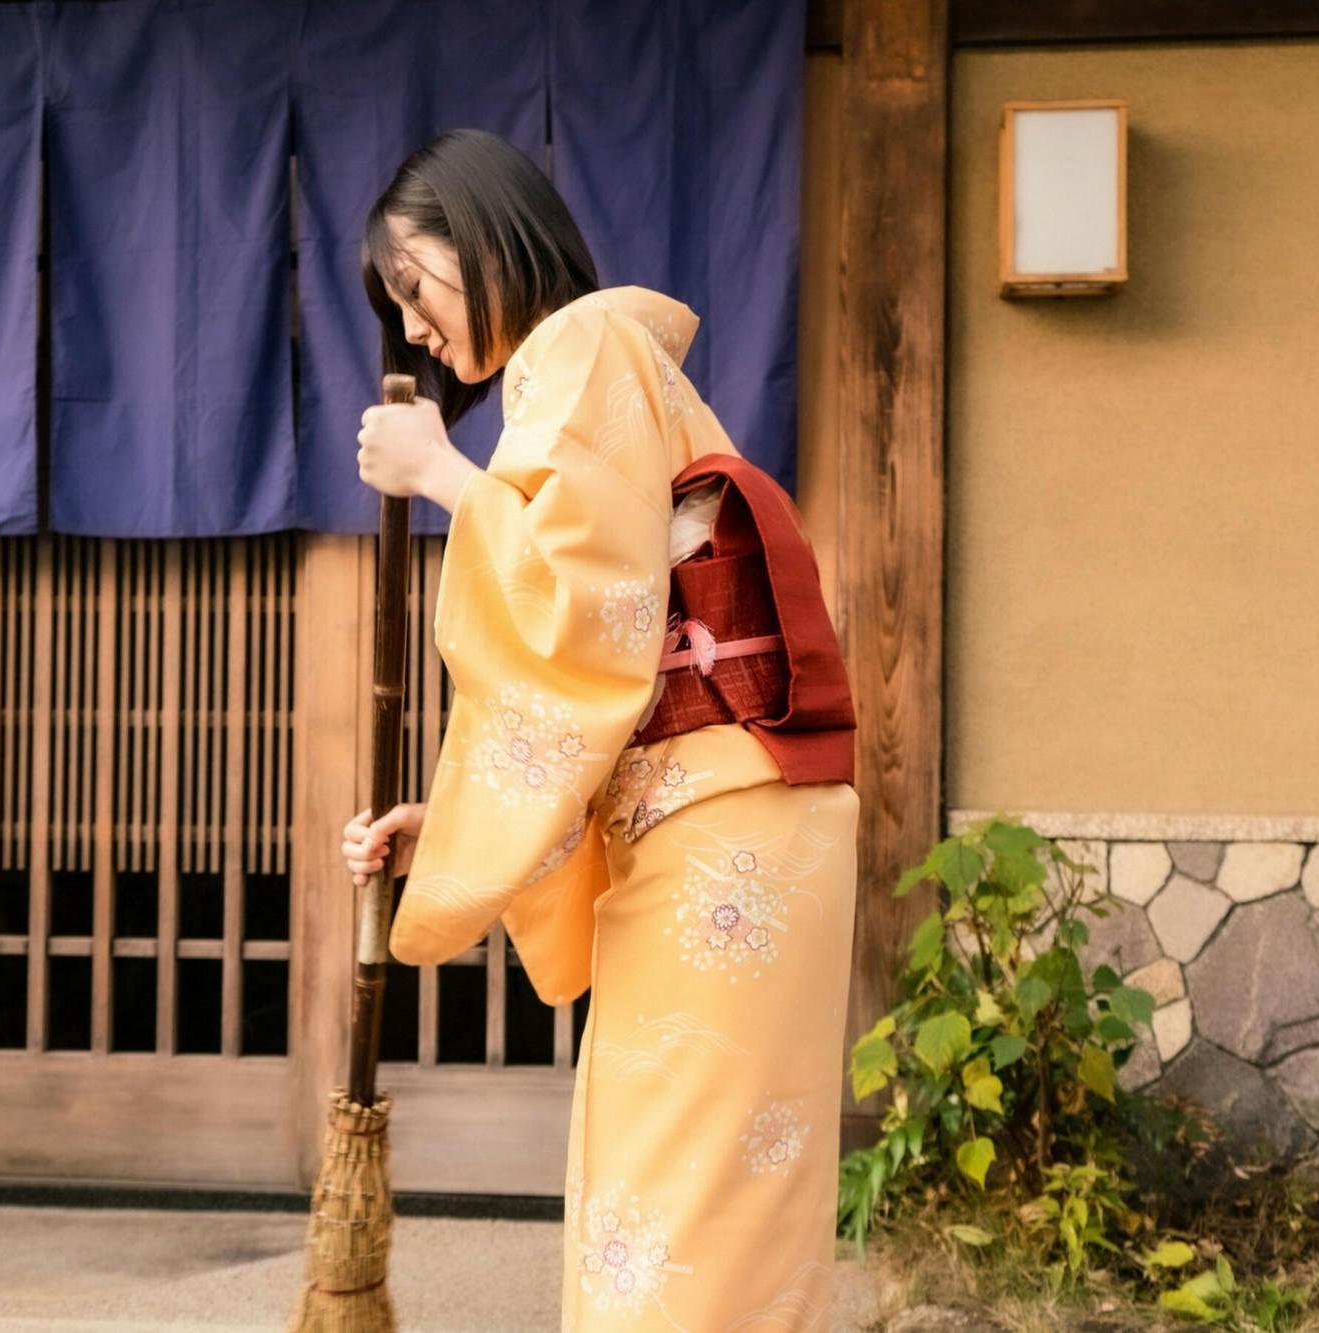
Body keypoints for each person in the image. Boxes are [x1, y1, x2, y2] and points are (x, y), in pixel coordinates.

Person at [341, 127, 859, 1331]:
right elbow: (615, 649)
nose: (412, 328)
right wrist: (457, 820)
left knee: (674, 1205)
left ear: (482, 233)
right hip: (726, 816)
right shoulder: (605, 364)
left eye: (412, 286)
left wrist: (440, 473)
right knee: (694, 1199)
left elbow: (589, 605)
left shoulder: (577, 345)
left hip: (717, 819)